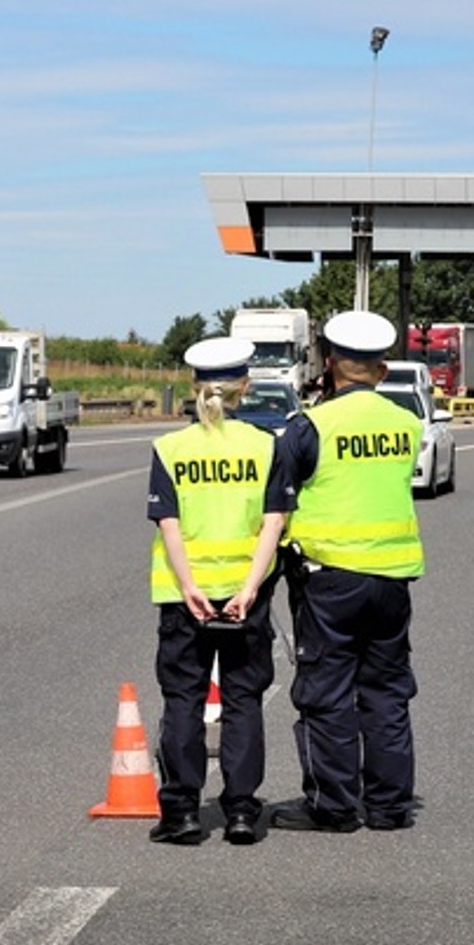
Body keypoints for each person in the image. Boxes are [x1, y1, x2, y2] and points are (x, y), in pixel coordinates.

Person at [271, 310, 424, 834]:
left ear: (330, 363)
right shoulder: (406, 424)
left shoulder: (311, 427)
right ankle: (389, 806)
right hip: (392, 579)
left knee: (327, 692)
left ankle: (334, 805)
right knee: (387, 692)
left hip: (330, 579)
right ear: (382, 369)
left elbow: (279, 499)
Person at [145, 336, 293, 846]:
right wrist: (250, 588)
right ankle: (242, 812)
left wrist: (189, 586)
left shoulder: (171, 449)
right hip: (245, 596)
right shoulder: (265, 445)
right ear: (244, 388)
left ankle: (182, 813)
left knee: (183, 699)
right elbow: (275, 521)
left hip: (183, 597)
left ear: (194, 387)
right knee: (242, 699)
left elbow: (168, 523)